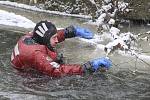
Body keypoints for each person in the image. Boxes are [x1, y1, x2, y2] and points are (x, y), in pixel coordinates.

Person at [11, 20, 112, 77]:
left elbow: (48, 36)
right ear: (44, 39)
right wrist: (87, 67)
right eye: (53, 38)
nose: (56, 41)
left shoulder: (31, 37)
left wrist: (70, 32)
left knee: (57, 58)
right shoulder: (35, 54)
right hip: (27, 77)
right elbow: (58, 71)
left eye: (56, 37)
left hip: (30, 64)